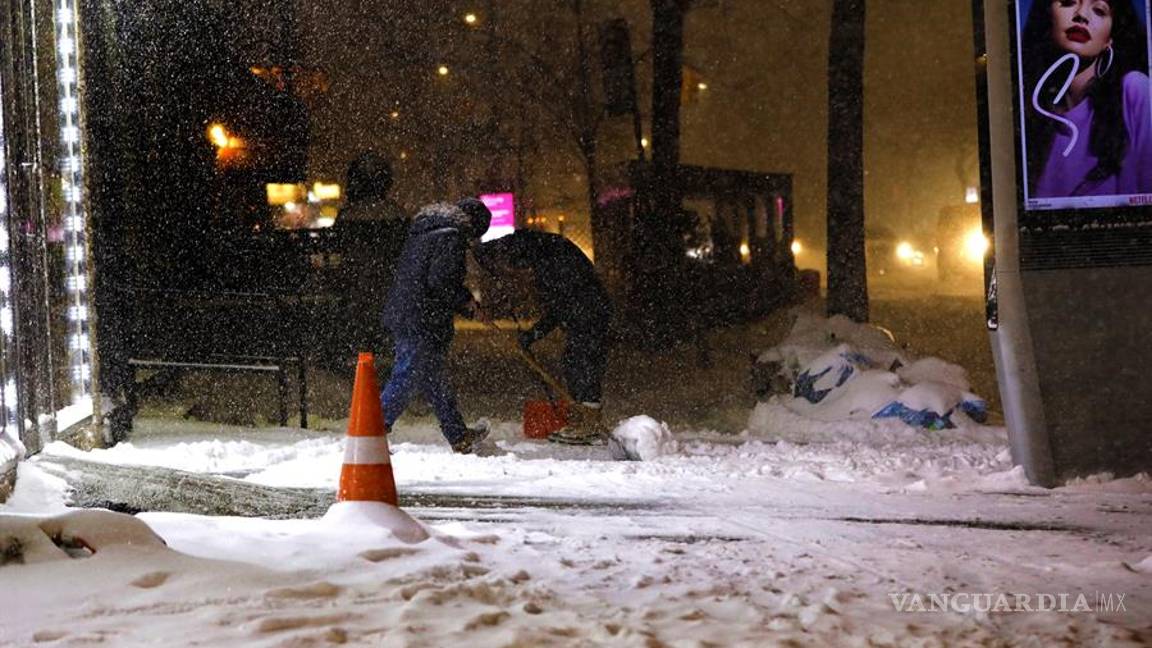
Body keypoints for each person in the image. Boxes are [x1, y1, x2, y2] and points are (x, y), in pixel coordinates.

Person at [475, 230, 614, 445]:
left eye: (520, 267)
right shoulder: (542, 247)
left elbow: (559, 308)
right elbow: (504, 245)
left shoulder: (551, 262)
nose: (522, 272)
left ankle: (590, 424)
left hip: (589, 315)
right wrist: (482, 252)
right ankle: (584, 420)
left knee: (583, 363)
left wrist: (534, 334)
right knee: (574, 362)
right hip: (587, 312)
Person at [379, 198, 492, 454]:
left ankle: (458, 434)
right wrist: (467, 302)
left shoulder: (427, 231)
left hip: (412, 313)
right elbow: (441, 280)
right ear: (472, 227)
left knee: (434, 378)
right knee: (406, 375)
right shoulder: (450, 237)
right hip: (420, 318)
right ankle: (371, 431)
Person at [1021, 0, 1152, 198]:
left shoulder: (1135, 91)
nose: (1081, 15)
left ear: (1110, 38)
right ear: (1048, 18)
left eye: (1099, 10)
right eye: (1067, 2)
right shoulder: (1031, 119)